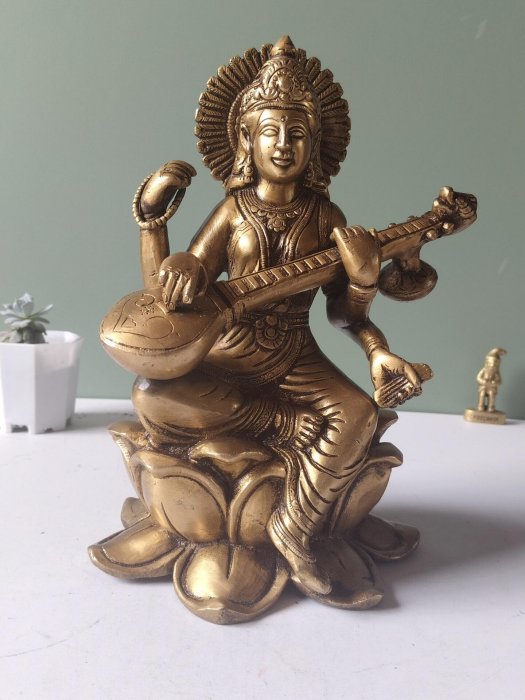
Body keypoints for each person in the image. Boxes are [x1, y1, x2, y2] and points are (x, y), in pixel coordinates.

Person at [132, 36, 423, 596]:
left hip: (294, 354)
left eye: (296, 134)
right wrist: (162, 237)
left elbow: (343, 314)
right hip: (225, 354)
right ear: (247, 138)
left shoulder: (326, 216)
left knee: (359, 414)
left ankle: (294, 527)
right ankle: (283, 425)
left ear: (314, 145)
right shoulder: (233, 210)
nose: (284, 145)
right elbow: (170, 307)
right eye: (271, 132)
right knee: (151, 394)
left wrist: (366, 299)